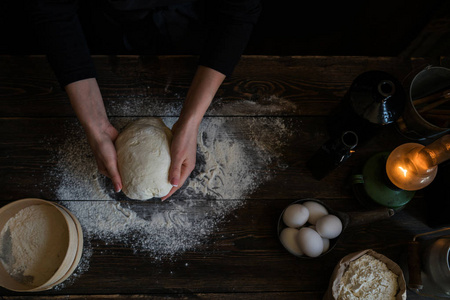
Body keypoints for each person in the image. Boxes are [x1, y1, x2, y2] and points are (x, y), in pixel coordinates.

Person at [28, 0, 261, 200]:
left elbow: (239, 11)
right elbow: (51, 10)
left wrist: (190, 123)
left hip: (194, 29)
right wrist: (96, 126)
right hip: (105, 32)